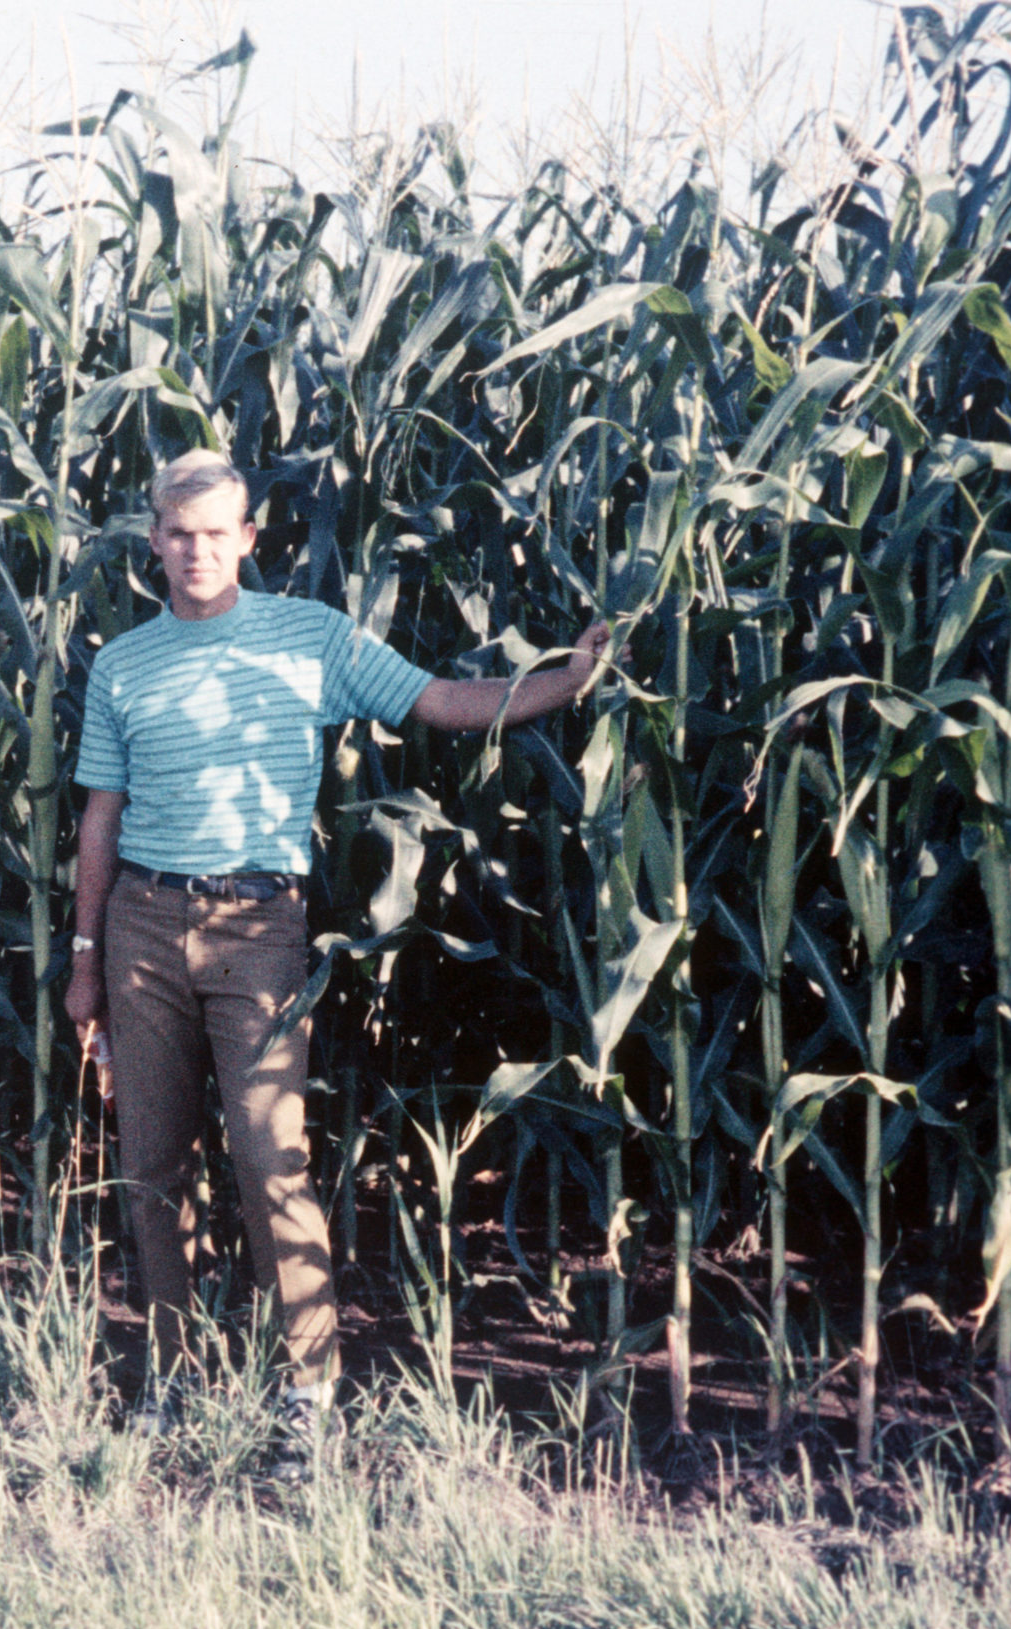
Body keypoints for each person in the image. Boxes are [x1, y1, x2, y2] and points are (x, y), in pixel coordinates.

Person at [63, 450, 606, 1462]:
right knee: (149, 1167)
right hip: (139, 921)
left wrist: (561, 683)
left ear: (248, 539)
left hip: (257, 927)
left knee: (272, 1159)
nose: (196, 551)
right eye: (178, 533)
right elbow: (101, 816)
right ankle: (170, 1379)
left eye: (217, 532)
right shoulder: (123, 662)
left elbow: (438, 700)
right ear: (153, 540)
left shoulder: (308, 639)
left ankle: (307, 1389)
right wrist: (85, 956)